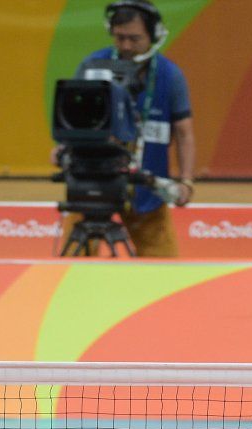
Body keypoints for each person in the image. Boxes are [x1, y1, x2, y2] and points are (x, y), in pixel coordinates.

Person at [64, 0, 196, 257]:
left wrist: (186, 181)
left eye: (134, 39)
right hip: (92, 184)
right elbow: (71, 118)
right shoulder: (92, 66)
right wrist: (63, 148)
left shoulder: (170, 75)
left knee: (163, 269)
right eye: (119, 37)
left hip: (147, 187)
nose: (126, 46)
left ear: (154, 35)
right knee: (71, 266)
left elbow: (184, 132)